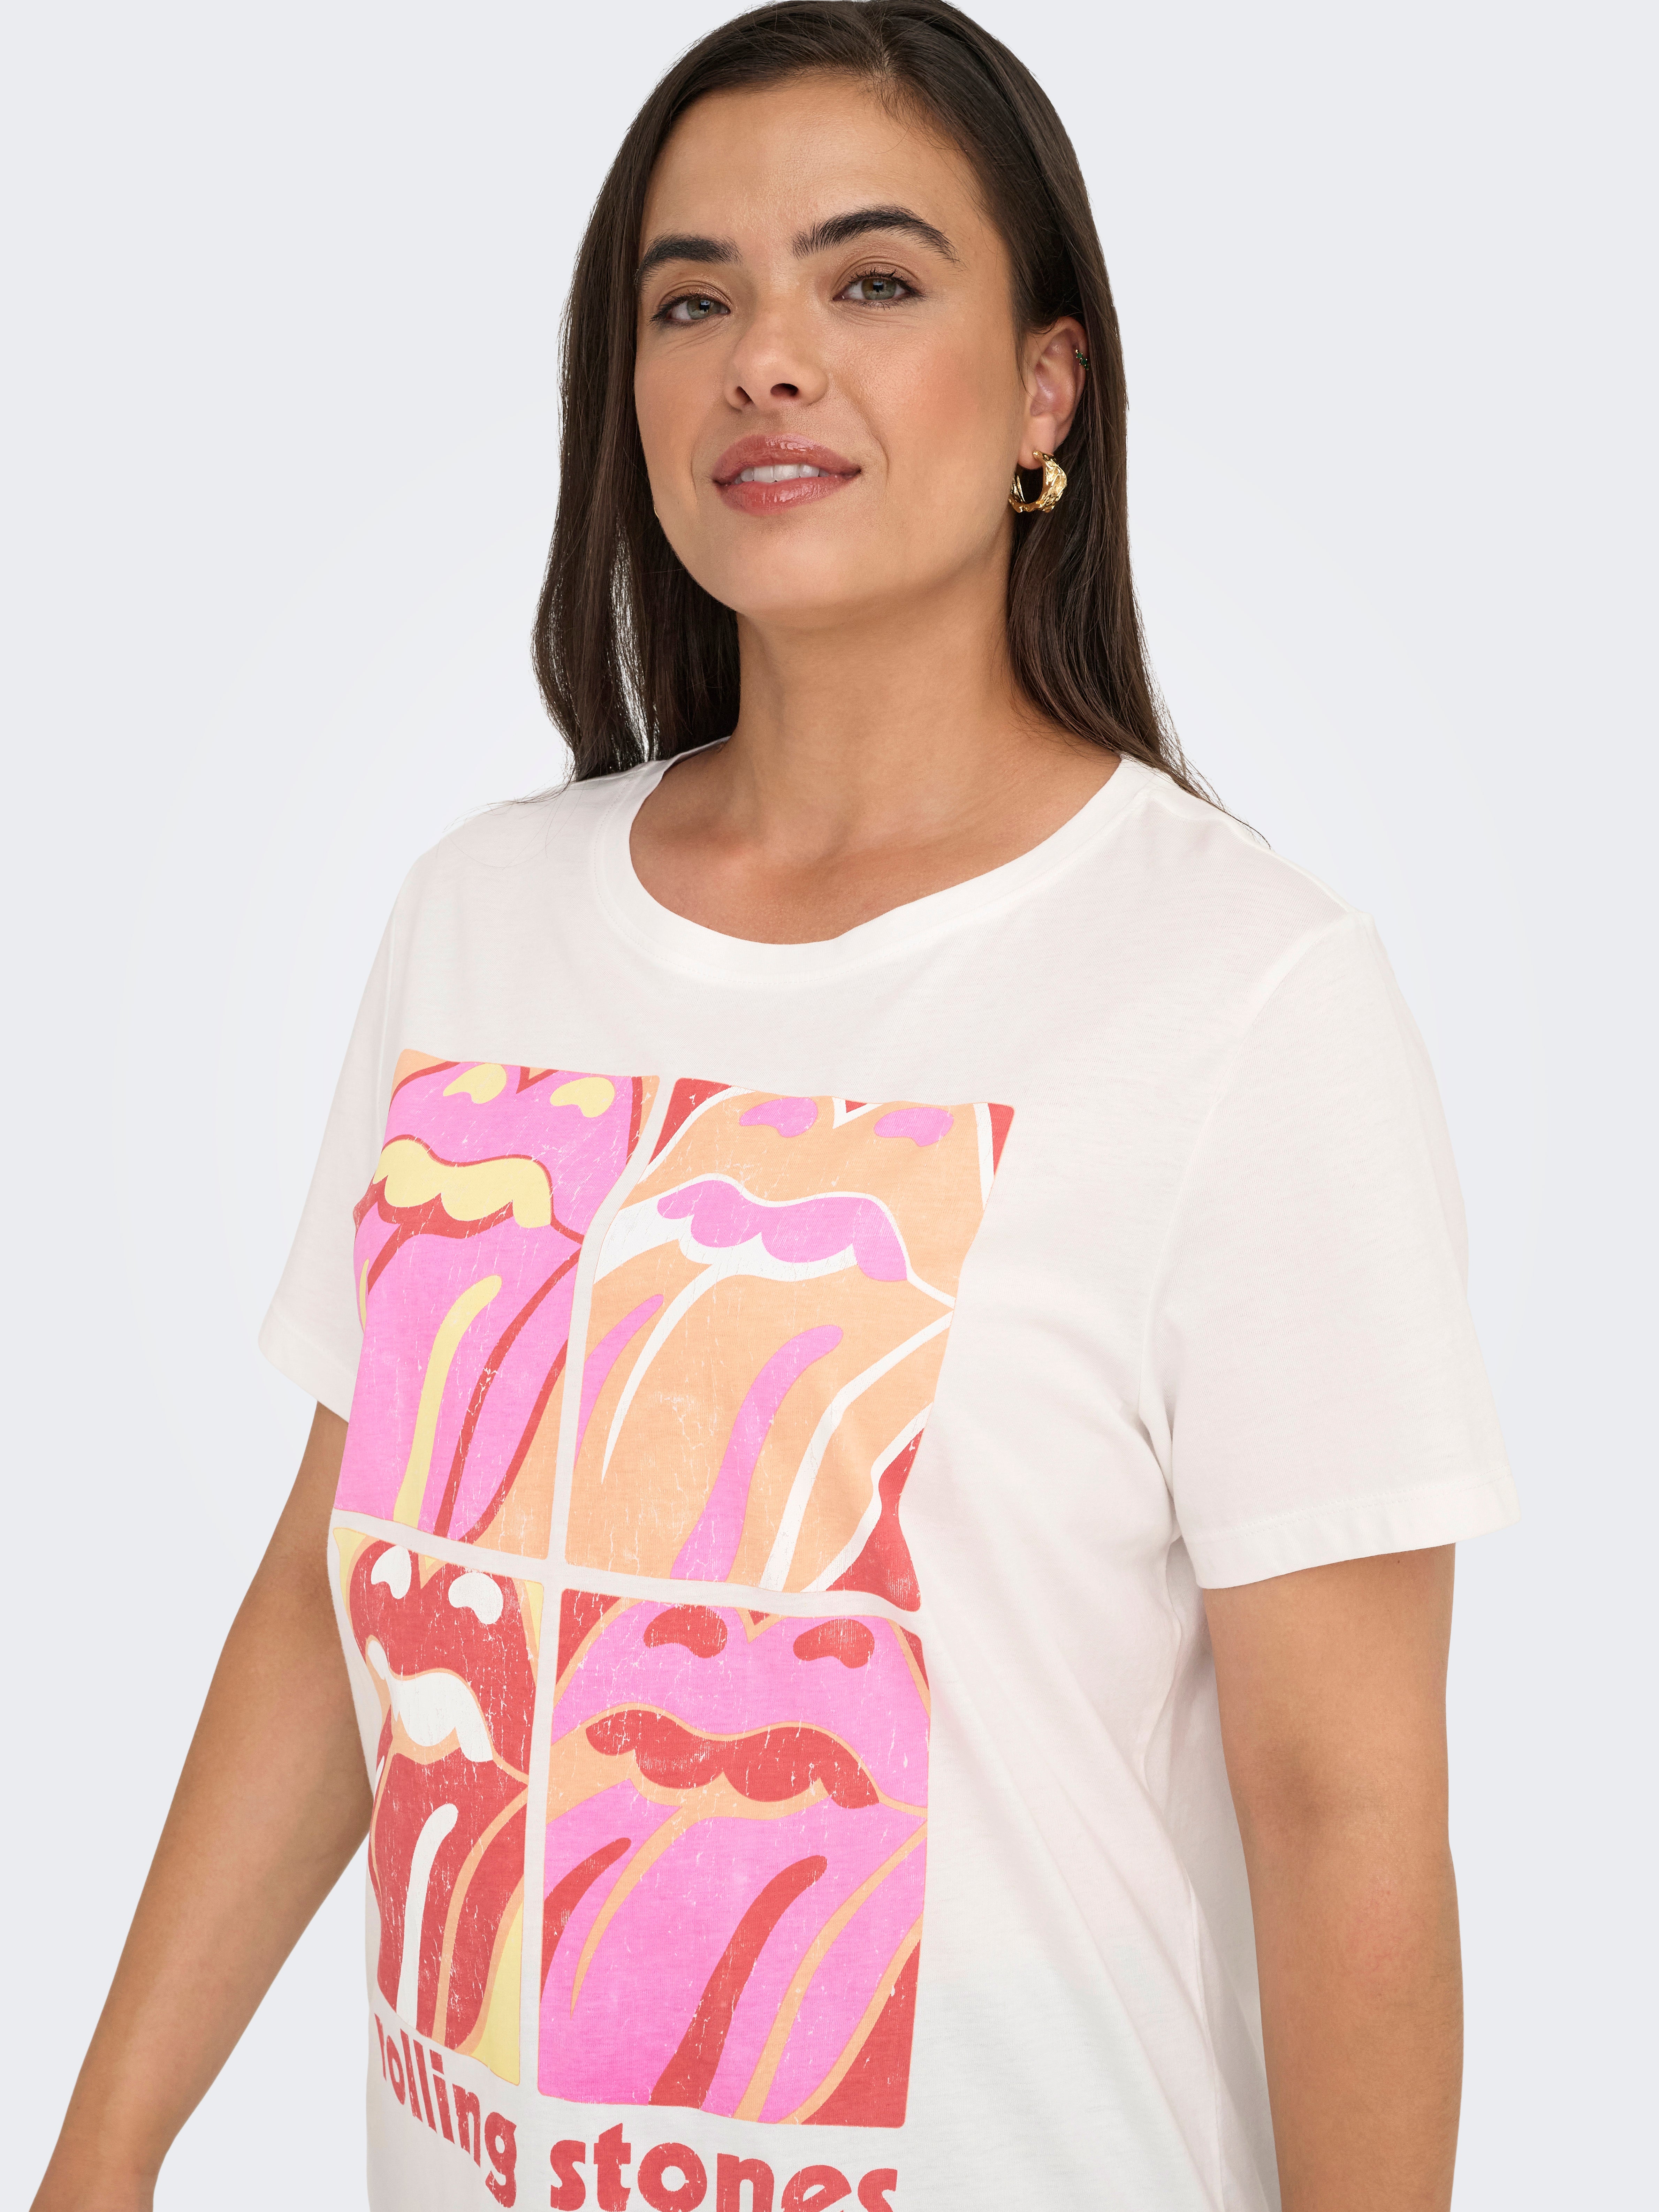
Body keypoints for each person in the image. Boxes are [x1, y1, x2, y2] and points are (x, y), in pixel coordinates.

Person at [32, 5, 1518, 2209]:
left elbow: (1346, 1814)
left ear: (1046, 390)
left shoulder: (1236, 994)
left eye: (872, 279)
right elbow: (333, 1592)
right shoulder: (482, 919)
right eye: (691, 300)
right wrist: (101, 2155)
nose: (766, 360)